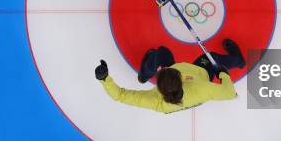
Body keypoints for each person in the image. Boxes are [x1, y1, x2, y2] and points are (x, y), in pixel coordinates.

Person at [94, 39, 246, 113]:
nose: (164, 69)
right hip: (201, 73)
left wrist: (105, 79)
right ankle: (238, 61)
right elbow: (230, 93)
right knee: (212, 56)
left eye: (162, 71)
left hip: (187, 83)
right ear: (181, 78)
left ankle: (144, 74)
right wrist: (224, 74)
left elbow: (121, 95)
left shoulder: (156, 100)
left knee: (163, 53)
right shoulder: (202, 88)